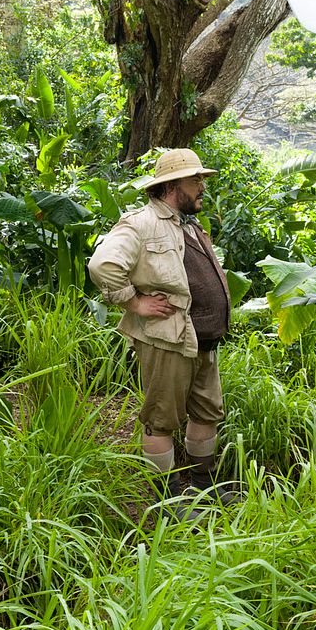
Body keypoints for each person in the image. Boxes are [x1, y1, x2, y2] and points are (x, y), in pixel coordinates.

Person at [89, 148, 237, 520]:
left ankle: (204, 487)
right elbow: (103, 265)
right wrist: (134, 303)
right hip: (166, 340)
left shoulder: (188, 223)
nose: (202, 187)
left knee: (207, 414)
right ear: (172, 185)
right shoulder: (141, 223)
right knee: (162, 420)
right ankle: (166, 502)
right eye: (195, 180)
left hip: (202, 340)